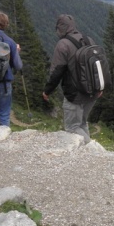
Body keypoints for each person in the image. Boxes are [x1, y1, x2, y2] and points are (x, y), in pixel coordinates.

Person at [42, 14, 102, 143]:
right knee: (82, 123)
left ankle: (92, 151)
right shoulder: (88, 39)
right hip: (93, 91)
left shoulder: (63, 45)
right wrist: (100, 86)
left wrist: (47, 91)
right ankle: (89, 153)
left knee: (72, 127)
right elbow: (97, 65)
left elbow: (56, 72)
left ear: (60, 28)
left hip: (75, 94)